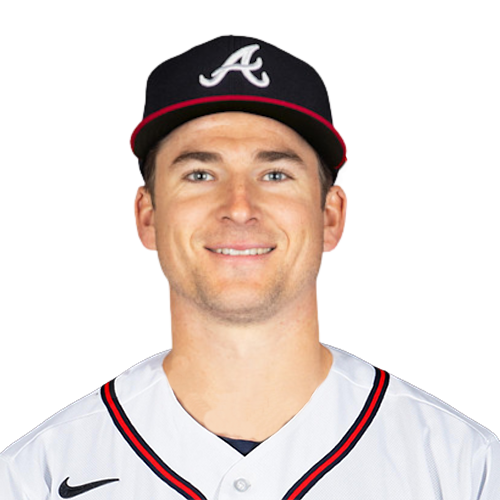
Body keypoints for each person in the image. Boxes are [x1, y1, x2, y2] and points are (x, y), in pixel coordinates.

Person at [1, 35, 498, 499]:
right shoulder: (37, 472)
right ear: (147, 216)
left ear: (331, 217)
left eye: (275, 174)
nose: (239, 207)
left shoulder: (464, 464)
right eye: (200, 174)